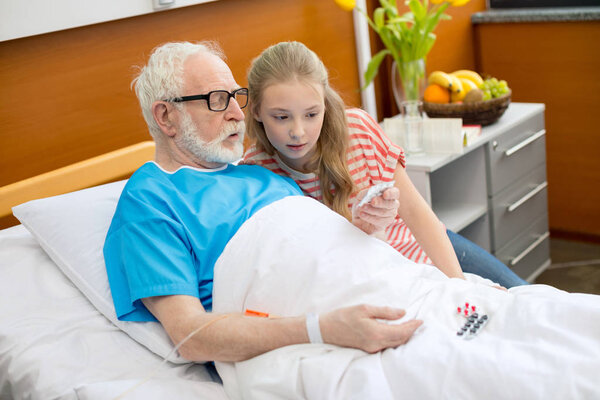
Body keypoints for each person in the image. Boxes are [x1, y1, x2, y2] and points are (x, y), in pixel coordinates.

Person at [103, 41, 423, 363]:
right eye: (217, 100)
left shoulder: (260, 174)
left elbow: (323, 253)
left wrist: (367, 228)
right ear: (166, 116)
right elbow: (190, 336)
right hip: (313, 338)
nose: (235, 114)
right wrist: (321, 329)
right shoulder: (151, 200)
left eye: (235, 97)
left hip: (382, 291)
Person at [241, 41, 527, 288]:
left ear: (325, 105)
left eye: (311, 114)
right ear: (256, 111)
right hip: (373, 274)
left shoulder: (359, 130)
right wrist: (359, 226)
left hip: (417, 241)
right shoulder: (256, 173)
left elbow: (415, 212)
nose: (298, 131)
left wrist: (459, 287)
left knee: (518, 292)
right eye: (281, 117)